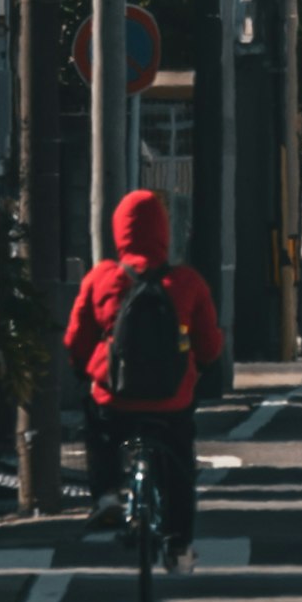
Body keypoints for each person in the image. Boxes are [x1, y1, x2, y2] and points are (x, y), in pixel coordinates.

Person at [61, 184, 230, 568]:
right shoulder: (186, 282)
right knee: (179, 466)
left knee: (99, 429)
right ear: (163, 231)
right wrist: (197, 370)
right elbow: (209, 344)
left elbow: (76, 338)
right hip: (172, 400)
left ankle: (106, 496)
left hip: (115, 397)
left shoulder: (102, 278)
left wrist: (84, 370)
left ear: (119, 230)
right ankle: (178, 546)